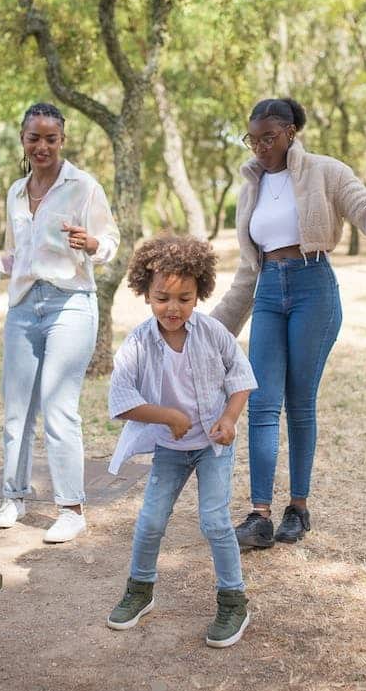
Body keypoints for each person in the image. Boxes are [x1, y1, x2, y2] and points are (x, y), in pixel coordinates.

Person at [210, 97, 366, 549]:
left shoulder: (326, 171)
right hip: (269, 289)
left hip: (314, 288)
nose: (259, 147)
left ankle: (298, 507)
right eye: (253, 138)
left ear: (291, 132)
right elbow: (246, 271)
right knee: (261, 400)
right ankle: (259, 515)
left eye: (268, 137)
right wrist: (211, 332)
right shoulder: (250, 185)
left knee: (300, 402)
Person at [0, 102, 119, 544]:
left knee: (59, 407)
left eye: (51, 138)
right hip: (24, 306)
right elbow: (18, 256)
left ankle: (70, 508)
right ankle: (13, 497)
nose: (42, 146)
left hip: (70, 304)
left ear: (62, 140)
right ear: (23, 139)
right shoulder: (16, 192)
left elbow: (110, 243)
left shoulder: (83, 187)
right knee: (17, 407)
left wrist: (92, 242)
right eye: (33, 138)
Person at [105, 235, 257, 648]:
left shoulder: (212, 333)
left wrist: (228, 418)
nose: (173, 308)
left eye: (184, 299)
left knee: (214, 521)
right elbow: (120, 402)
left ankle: (233, 600)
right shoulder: (137, 343)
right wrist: (166, 416)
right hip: (170, 449)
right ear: (145, 293)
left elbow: (241, 378)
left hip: (212, 446)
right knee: (151, 520)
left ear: (200, 294)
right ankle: (140, 590)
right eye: (162, 298)